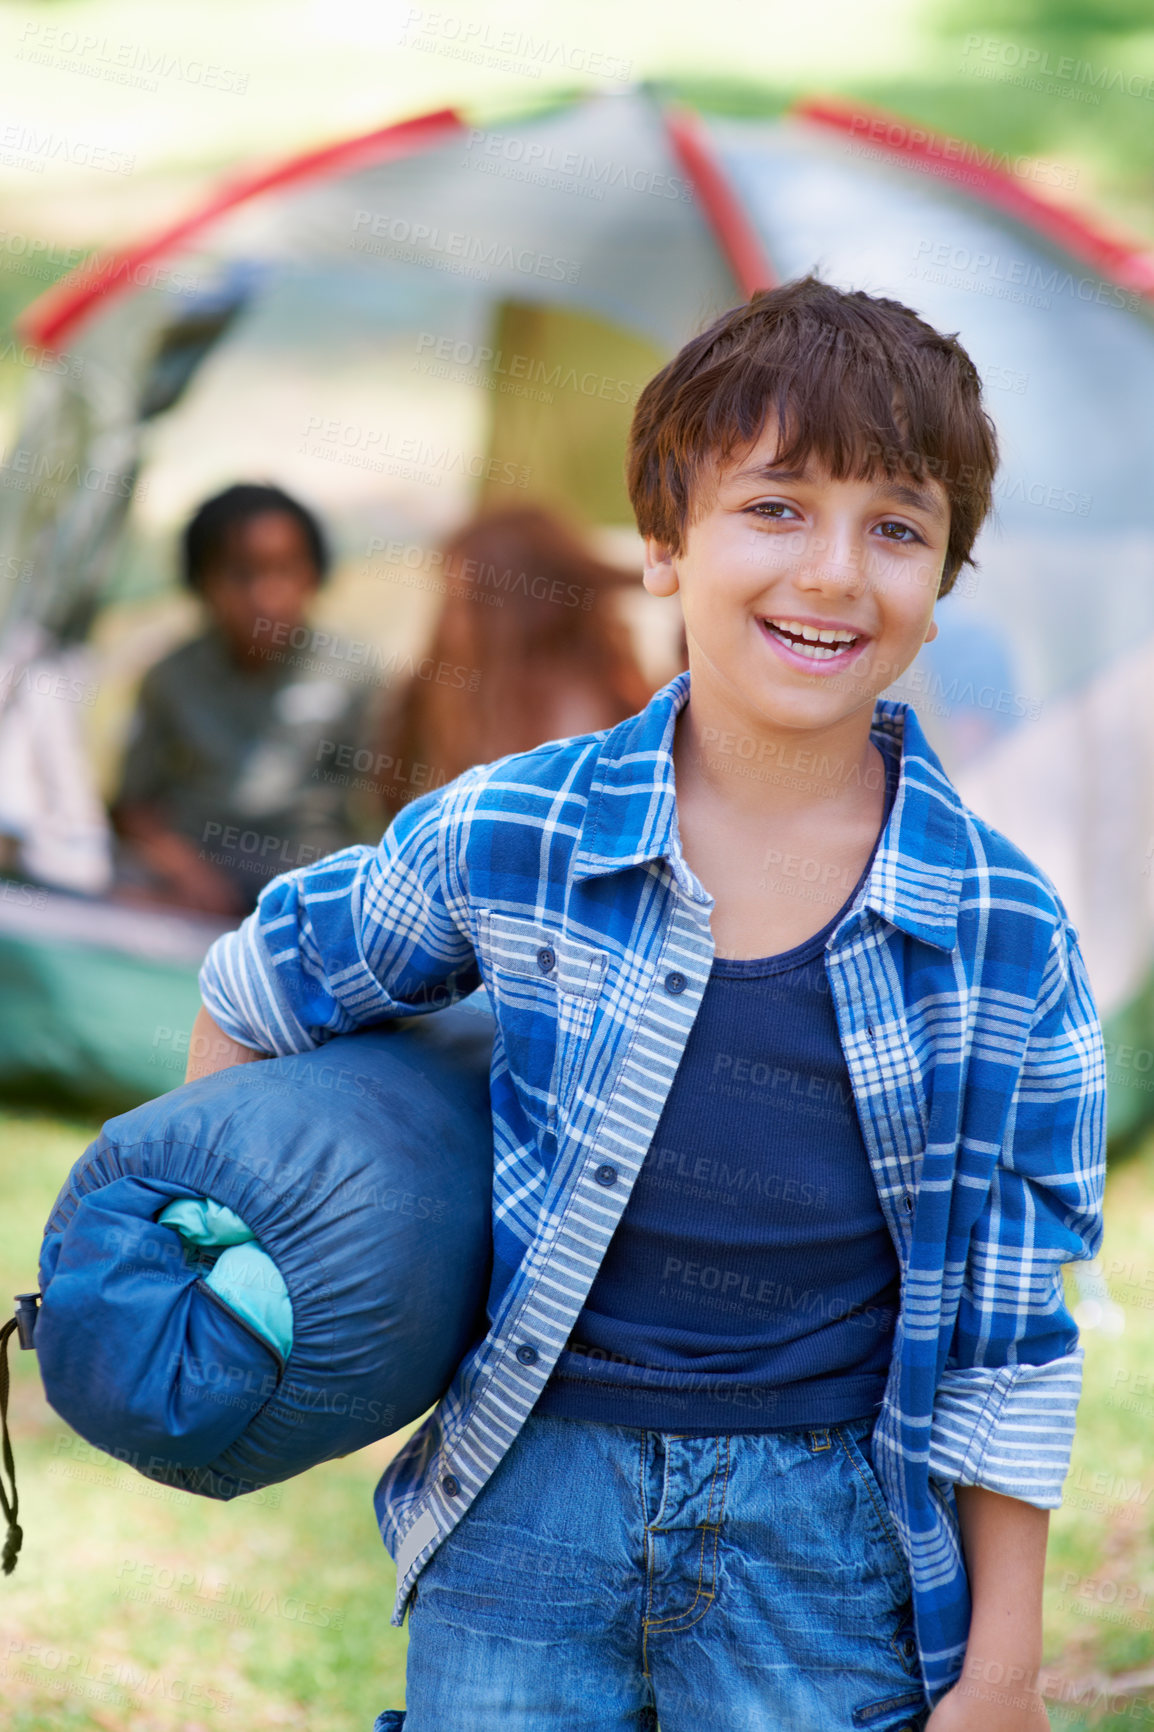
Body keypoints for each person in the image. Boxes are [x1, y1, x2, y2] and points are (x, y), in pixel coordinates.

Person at [186, 278, 1105, 1730]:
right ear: (665, 546)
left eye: (897, 528)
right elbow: (264, 982)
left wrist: (999, 1674)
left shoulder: (996, 933)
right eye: (776, 507)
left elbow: (1008, 1339)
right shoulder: (523, 832)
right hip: (526, 1500)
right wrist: (211, 1247)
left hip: (824, 1541)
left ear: (942, 588)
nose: (833, 573)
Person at [112, 483, 371, 916]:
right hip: (193, 877)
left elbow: (386, 807)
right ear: (201, 583)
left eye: (285, 570)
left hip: (310, 883)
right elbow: (132, 806)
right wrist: (185, 870)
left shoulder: (356, 677)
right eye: (241, 574)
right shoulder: (170, 677)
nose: (265, 597)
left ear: (314, 576)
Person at [374, 506, 653, 821]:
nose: (452, 626)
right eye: (450, 601)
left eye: (462, 602)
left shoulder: (620, 711)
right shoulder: (433, 694)